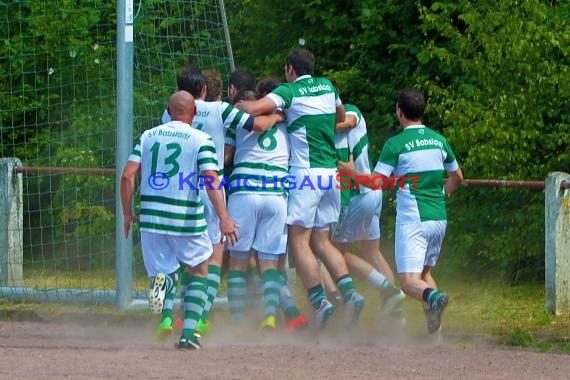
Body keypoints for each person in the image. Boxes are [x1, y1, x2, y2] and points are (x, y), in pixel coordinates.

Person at [236, 49, 365, 328]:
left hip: (305, 175)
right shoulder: (328, 86)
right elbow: (339, 116)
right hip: (331, 175)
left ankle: (319, 302)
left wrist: (239, 107)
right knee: (321, 241)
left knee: (298, 241)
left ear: (290, 70)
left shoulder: (289, 91)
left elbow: (254, 109)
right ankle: (350, 293)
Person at [160, 67, 278, 336]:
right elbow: (257, 125)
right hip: (210, 188)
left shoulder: (169, 113)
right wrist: (278, 114)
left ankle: (171, 314)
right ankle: (199, 316)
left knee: (179, 257)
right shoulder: (219, 110)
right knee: (213, 256)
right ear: (204, 90)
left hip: (178, 190)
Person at [338, 89, 464, 334]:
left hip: (414, 220)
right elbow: (457, 177)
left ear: (399, 112)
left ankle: (436, 296)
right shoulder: (439, 140)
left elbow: (376, 183)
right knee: (425, 273)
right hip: (438, 217)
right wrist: (444, 192)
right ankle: (435, 338)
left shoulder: (396, 144)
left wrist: (351, 172)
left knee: (408, 283)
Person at [120, 90, 238, 350]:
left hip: (151, 218)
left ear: (168, 110)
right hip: (185, 217)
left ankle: (165, 304)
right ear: (193, 113)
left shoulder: (148, 136)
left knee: (165, 270)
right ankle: (189, 334)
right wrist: (224, 217)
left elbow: (128, 176)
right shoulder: (200, 138)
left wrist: (128, 213)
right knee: (199, 269)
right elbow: (210, 179)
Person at [224, 85, 308, 332]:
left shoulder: (236, 122)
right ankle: (270, 316)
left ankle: (238, 322)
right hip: (276, 194)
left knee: (238, 261)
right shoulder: (286, 125)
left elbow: (227, 156)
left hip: (244, 192)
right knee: (269, 262)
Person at [332, 103, 406, 323]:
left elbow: (350, 121)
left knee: (337, 253)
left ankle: (387, 291)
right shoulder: (342, 117)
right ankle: (395, 314)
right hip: (371, 192)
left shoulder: (349, 111)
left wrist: (319, 125)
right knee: (372, 253)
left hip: (358, 194)